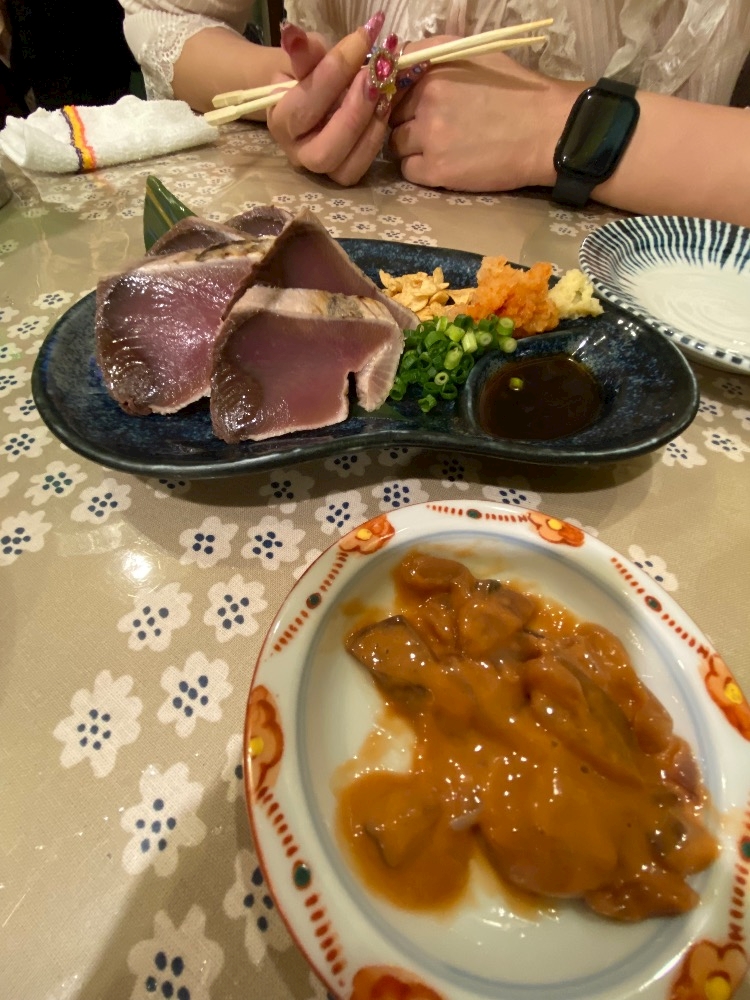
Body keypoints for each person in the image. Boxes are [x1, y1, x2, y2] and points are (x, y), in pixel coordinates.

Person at [119, 1, 750, 225]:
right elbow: (166, 16)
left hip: (664, 286)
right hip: (353, 227)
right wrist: (307, 85)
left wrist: (556, 127)